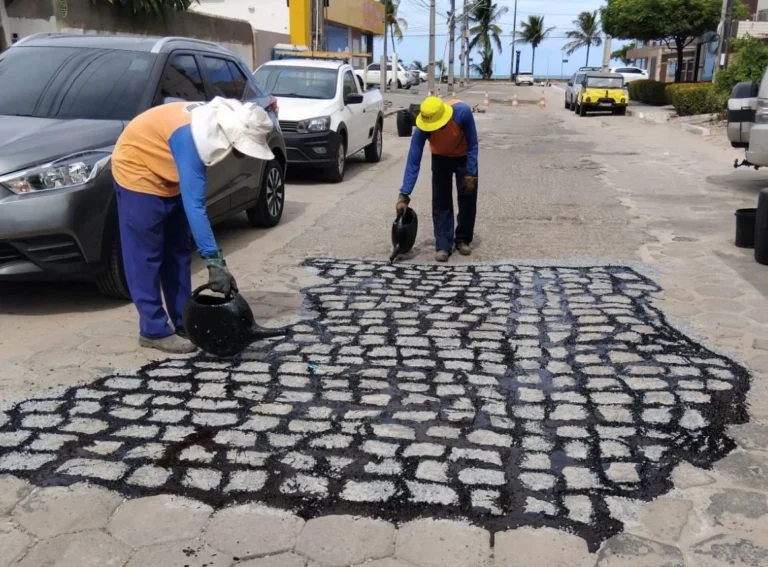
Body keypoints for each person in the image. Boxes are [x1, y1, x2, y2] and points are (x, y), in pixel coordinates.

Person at [111, 97, 275, 354]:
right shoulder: (190, 138)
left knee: (177, 251)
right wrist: (215, 261)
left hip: (167, 165)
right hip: (137, 167)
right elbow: (196, 207)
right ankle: (153, 330)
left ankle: (182, 320)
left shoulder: (220, 120)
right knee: (145, 257)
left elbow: (193, 204)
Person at [396, 95, 479, 262]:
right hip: (440, 158)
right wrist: (404, 193)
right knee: (441, 201)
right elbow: (414, 159)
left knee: (467, 199)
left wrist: (471, 173)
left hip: (463, 158)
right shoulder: (423, 125)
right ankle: (443, 244)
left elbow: (472, 144)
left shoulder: (462, 113)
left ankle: (463, 238)